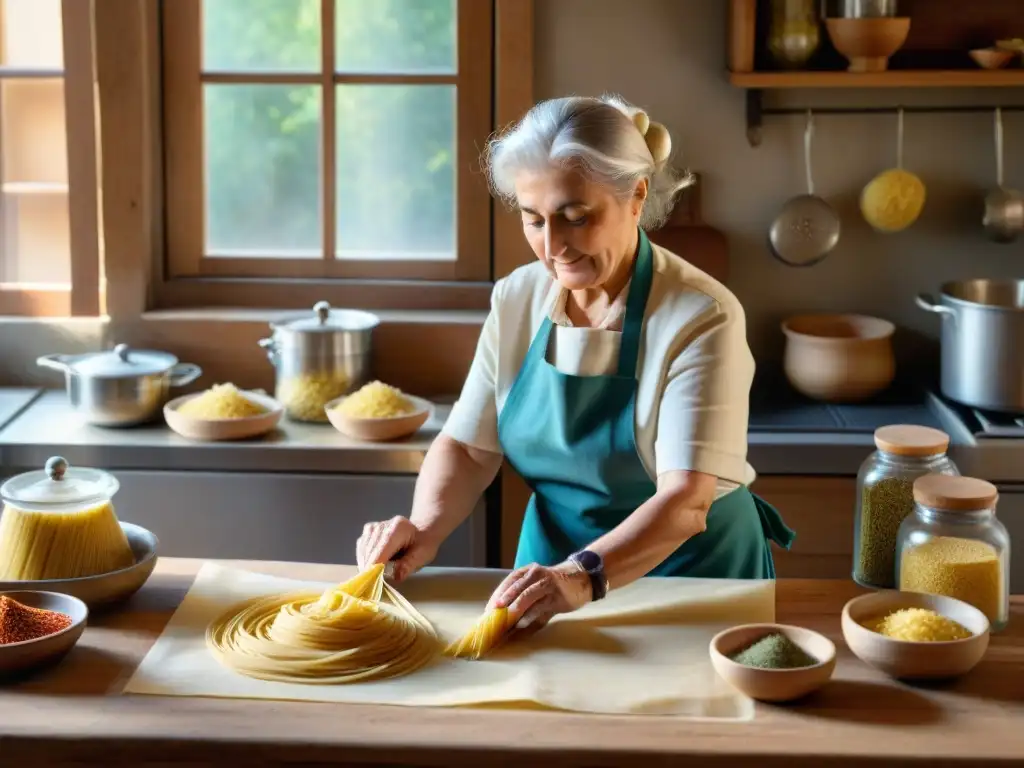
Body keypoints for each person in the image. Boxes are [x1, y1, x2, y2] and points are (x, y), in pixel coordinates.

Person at [356, 94, 795, 642]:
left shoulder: (700, 314)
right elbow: (469, 447)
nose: (553, 247)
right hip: (550, 575)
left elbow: (686, 500)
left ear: (636, 196)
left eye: (575, 217)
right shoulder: (517, 298)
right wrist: (423, 527)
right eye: (533, 220)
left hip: (689, 578)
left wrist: (582, 576)